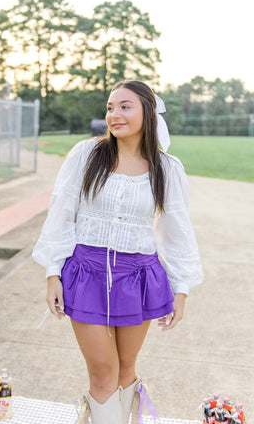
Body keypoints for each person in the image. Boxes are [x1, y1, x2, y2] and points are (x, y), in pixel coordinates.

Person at [32, 80, 203, 424]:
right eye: (110, 107)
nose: (114, 114)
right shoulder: (86, 154)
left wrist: (180, 289)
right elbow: (61, 212)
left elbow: (177, 231)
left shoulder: (166, 168)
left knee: (126, 371)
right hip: (86, 273)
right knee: (103, 372)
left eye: (125, 106)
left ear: (148, 113)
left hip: (139, 277)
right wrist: (53, 272)